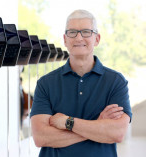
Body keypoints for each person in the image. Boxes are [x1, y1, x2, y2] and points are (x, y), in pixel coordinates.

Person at [30, 9, 132, 157]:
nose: (78, 38)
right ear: (65, 39)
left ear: (97, 39)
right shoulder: (45, 84)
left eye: (86, 32)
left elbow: (117, 133)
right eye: (72, 32)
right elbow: (41, 137)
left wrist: (67, 122)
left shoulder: (116, 82)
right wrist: (97, 125)